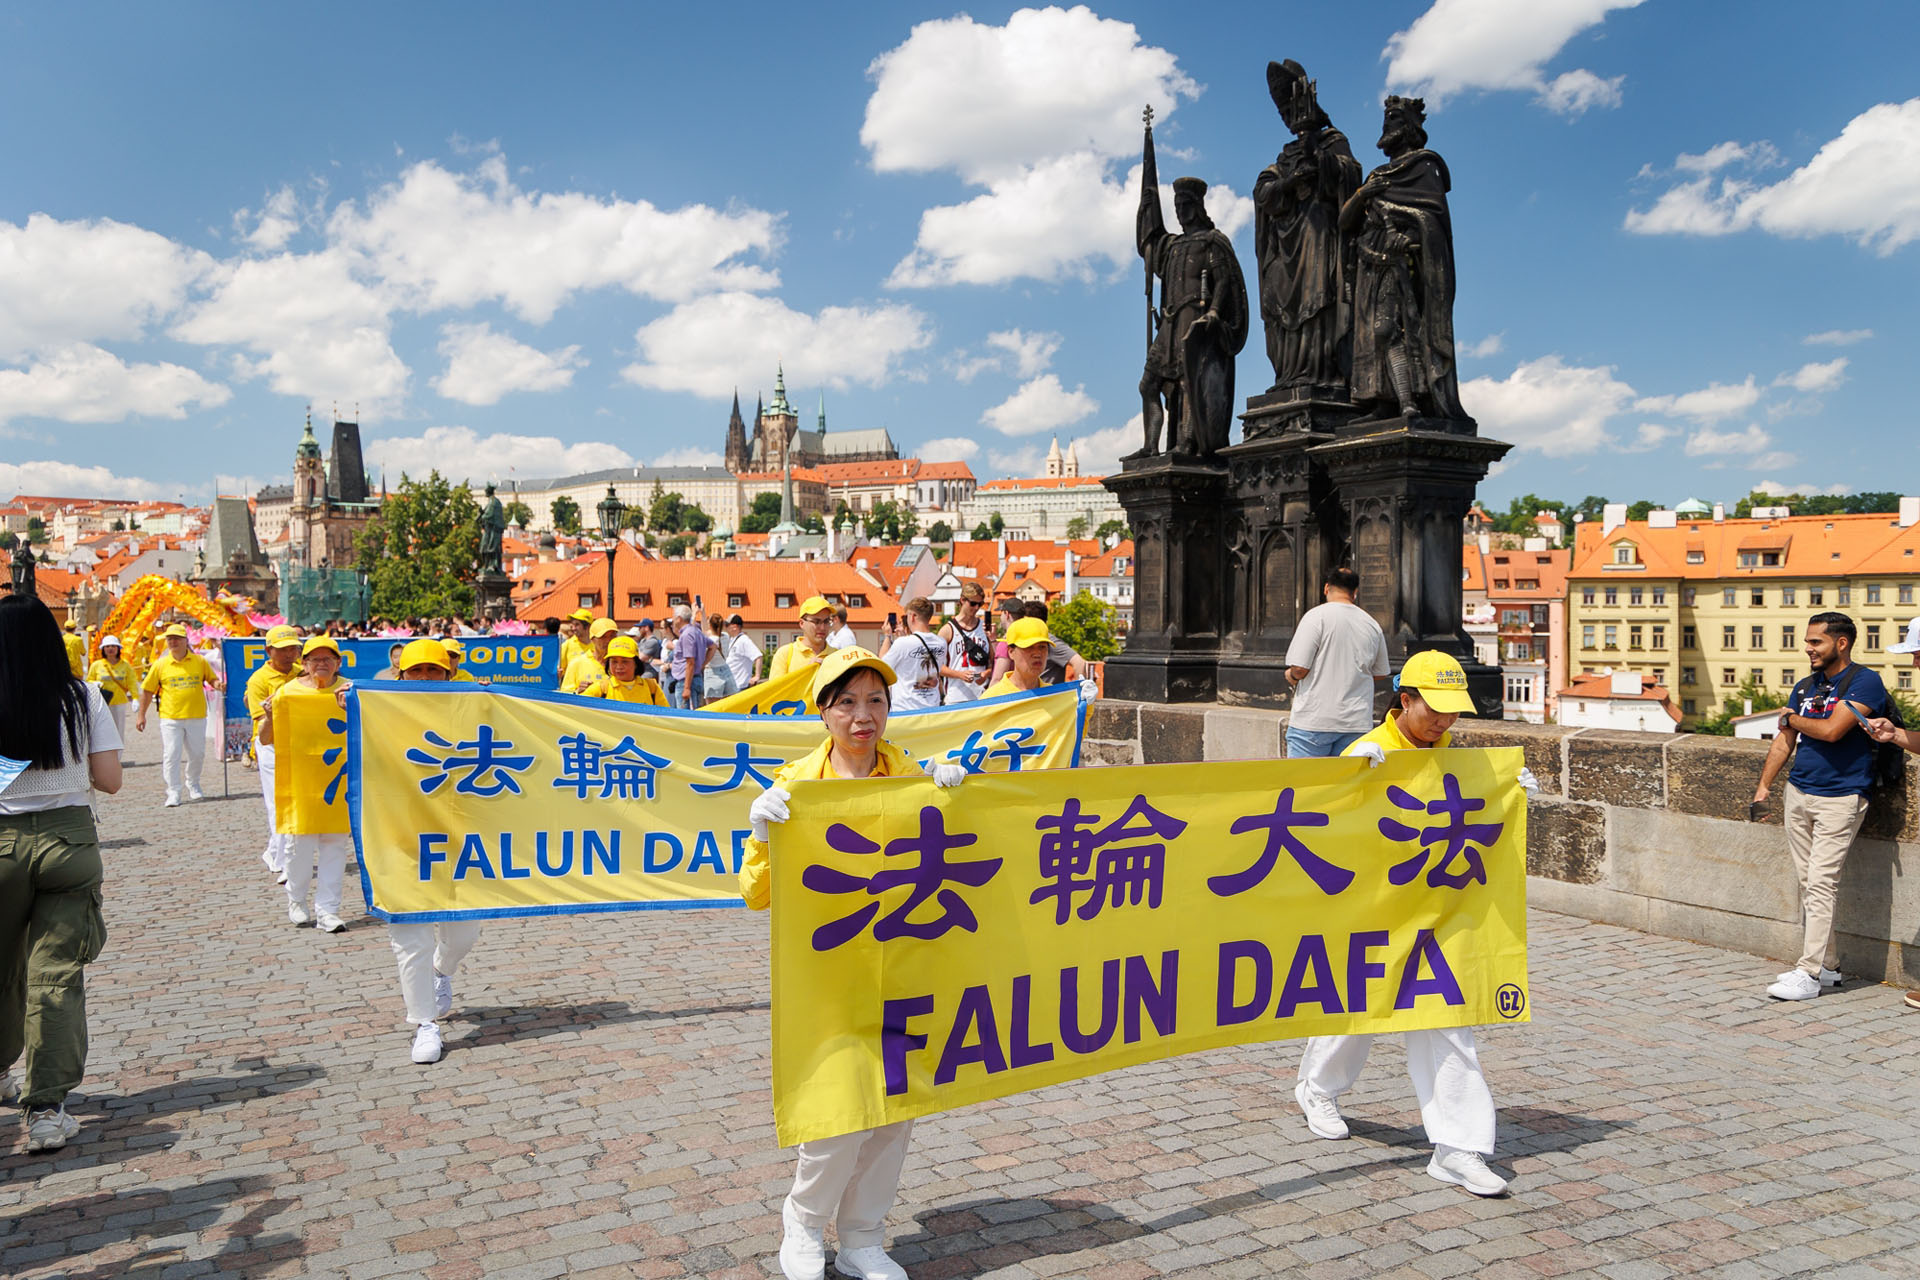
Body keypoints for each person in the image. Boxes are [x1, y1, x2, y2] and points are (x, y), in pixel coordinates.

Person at [740, 647, 966, 1280]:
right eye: (846, 703)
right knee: (837, 1113)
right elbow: (756, 895)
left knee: (895, 1111)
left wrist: (957, 796)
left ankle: (864, 1236)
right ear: (823, 712)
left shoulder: (911, 775)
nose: (863, 716)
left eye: (876, 701)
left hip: (906, 966)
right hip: (831, 976)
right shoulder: (796, 787)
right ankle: (804, 1222)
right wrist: (761, 835)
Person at [1294, 651, 1535, 1198]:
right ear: (1405, 700)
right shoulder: (1368, 750)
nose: (1444, 720)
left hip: (1436, 914)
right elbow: (1324, 829)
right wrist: (1347, 782)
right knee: (1358, 1010)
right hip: (1374, 911)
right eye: (1434, 709)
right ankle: (1318, 1088)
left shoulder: (1455, 758)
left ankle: (1457, 1148)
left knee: (1447, 1020)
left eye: (1453, 711)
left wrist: (1508, 794)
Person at [0, 594, 123, 1153]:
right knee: (55, 977)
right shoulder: (82, 696)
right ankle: (46, 1108)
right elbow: (111, 780)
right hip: (67, 842)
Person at [1752, 612, 1888, 1002]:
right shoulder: (1805, 686)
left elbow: (1831, 731)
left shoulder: (1865, 681)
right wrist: (1763, 788)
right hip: (1799, 792)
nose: (1807, 649)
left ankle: (1808, 973)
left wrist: (1792, 718)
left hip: (1841, 797)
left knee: (1822, 883)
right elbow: (1784, 741)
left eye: (1816, 642)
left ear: (1841, 643)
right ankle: (1829, 967)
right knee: (1808, 884)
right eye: (1808, 641)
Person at [386, 639, 484, 1064]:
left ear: (449, 675)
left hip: (460, 837)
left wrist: (491, 703)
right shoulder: (377, 708)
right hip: (397, 836)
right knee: (411, 937)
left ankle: (442, 971)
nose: (425, 678)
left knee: (465, 933)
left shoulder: (469, 707)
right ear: (401, 676)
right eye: (416, 671)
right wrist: (348, 704)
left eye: (434, 671)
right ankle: (425, 1023)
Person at [257, 636, 354, 933]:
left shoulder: (351, 690)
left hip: (339, 783)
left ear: (338, 662)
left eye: (328, 659)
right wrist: (270, 716)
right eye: (315, 659)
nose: (322, 664)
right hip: (300, 783)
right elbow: (265, 738)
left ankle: (328, 910)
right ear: (305, 663)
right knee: (298, 849)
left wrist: (352, 709)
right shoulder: (287, 692)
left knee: (335, 848)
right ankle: (296, 900)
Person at [1284, 566, 1392, 758]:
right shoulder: (1371, 624)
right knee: (1346, 778)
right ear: (1355, 592)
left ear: (1326, 588)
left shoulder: (1316, 617)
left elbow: (1299, 669)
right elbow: (1380, 672)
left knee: (1306, 777)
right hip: (1356, 723)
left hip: (1314, 720)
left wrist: (1291, 676)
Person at [135, 623, 224, 807]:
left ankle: (193, 783)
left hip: (196, 715)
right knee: (171, 754)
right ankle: (173, 791)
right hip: (170, 717)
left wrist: (218, 685)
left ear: (185, 640)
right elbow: (148, 691)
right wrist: (141, 715)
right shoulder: (160, 664)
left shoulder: (199, 661)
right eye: (169, 639)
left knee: (197, 754)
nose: (173, 642)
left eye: (177, 638)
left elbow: (211, 679)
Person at [245, 626, 304, 882]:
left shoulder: (302, 674)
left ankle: (273, 852)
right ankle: (284, 861)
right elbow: (261, 723)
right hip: (271, 745)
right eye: (283, 650)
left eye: (293, 648)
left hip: (299, 743)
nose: (289, 654)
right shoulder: (258, 680)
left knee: (296, 801)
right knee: (278, 803)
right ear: (268, 650)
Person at [882, 597, 965, 713]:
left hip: (905, 711)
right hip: (932, 709)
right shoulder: (941, 643)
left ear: (912, 616)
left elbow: (883, 667)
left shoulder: (902, 643)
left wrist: (887, 636)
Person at [938, 583, 991, 703]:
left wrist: (986, 673)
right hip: (956, 697)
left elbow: (993, 662)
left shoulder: (983, 628)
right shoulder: (947, 630)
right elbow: (936, 666)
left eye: (980, 604)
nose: (976, 608)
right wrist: (959, 674)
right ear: (962, 600)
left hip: (981, 696)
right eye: (973, 603)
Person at [583, 636, 668, 705]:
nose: (619, 667)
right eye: (614, 662)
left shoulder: (652, 688)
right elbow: (578, 707)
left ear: (636, 663)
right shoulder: (601, 689)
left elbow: (666, 715)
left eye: (625, 661)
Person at [769, 597, 836, 682]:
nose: (822, 627)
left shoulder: (837, 655)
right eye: (816, 622)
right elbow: (777, 689)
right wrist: (806, 674)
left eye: (826, 621)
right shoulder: (785, 654)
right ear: (802, 623)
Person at [86, 635, 137, 745]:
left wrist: (135, 698)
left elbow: (132, 682)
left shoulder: (125, 666)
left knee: (118, 729)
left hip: (119, 703)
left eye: (113, 646)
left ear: (118, 648)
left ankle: (118, 754)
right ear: (103, 649)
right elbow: (89, 680)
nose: (110, 649)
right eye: (107, 646)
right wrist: (94, 683)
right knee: (101, 729)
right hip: (101, 702)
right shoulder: (96, 665)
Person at [985, 616, 1051, 698]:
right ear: (1011, 652)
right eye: (1029, 647)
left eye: (1042, 647)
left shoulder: (1055, 695)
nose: (1037, 654)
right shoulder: (993, 698)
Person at [563, 619, 619, 694]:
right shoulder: (577, 663)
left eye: (612, 636)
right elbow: (564, 695)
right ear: (592, 639)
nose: (608, 640)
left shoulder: (623, 664)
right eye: (603, 637)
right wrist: (577, 691)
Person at [671, 604, 710, 710]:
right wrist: (702, 664)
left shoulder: (687, 634)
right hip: (694, 678)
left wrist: (686, 688)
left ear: (679, 619)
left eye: (674, 617)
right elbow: (713, 646)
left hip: (687, 681)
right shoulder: (696, 631)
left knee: (685, 715)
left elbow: (690, 662)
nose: (673, 620)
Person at [726, 614, 763, 690]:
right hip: (733, 685)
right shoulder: (733, 640)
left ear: (734, 627)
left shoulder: (744, 640)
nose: (725, 628)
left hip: (740, 685)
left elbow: (758, 656)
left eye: (727, 625)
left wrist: (757, 676)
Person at [558, 608, 593, 673]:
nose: (573, 628)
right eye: (573, 625)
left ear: (587, 626)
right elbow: (559, 670)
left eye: (577, 625)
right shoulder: (567, 645)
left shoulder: (597, 645)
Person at [635, 618, 664, 683]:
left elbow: (641, 657)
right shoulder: (643, 640)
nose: (639, 630)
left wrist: (636, 652)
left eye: (640, 627)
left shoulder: (652, 641)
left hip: (649, 673)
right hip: (642, 672)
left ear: (646, 628)